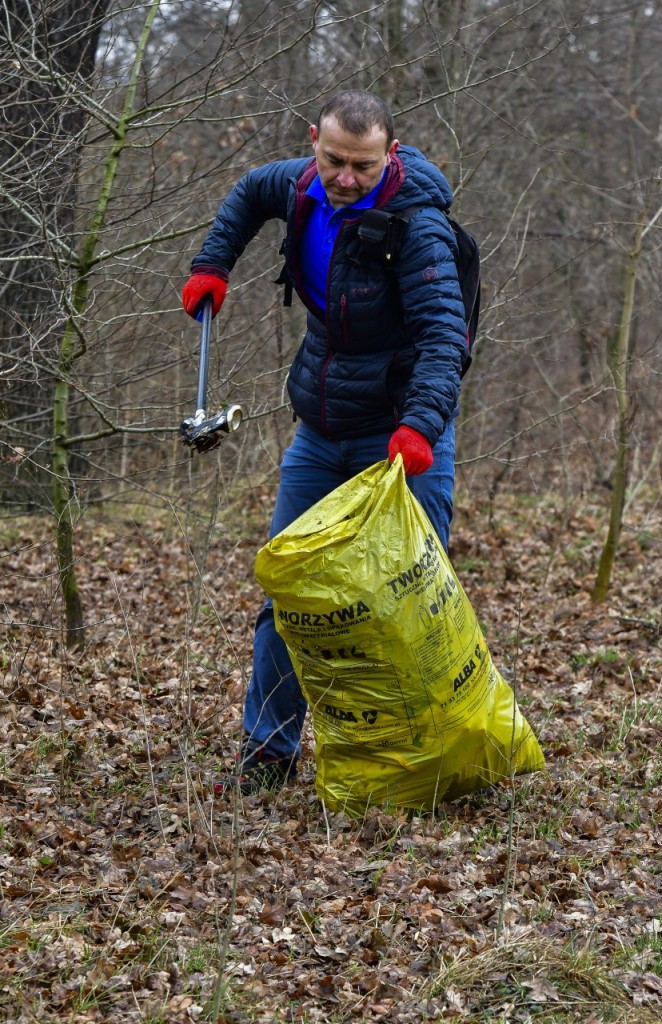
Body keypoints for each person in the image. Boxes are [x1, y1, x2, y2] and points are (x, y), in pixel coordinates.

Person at [182, 90, 468, 795]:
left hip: (402, 435)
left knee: (412, 602)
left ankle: (426, 763)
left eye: (362, 167)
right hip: (320, 429)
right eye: (334, 160)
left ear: (389, 156)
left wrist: (420, 428)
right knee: (288, 594)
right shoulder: (299, 184)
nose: (345, 178)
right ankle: (268, 758)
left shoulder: (417, 226)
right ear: (315, 142)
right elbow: (250, 192)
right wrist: (213, 264)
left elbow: (443, 338)